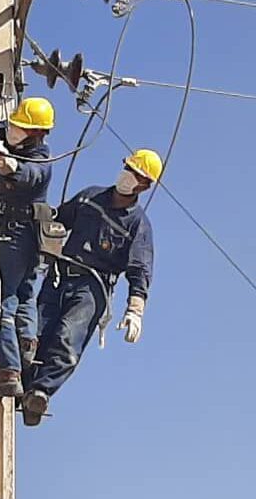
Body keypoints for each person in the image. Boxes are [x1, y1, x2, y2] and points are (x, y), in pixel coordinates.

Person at [21, 149, 161, 426]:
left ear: (144, 186)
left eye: (135, 174)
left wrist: (135, 310)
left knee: (66, 338)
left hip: (92, 287)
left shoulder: (138, 224)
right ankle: (21, 385)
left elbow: (140, 269)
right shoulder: (90, 197)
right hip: (60, 276)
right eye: (128, 168)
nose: (127, 175)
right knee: (34, 334)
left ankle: (40, 392)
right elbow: (59, 219)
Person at [0, 97, 56, 398]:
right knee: (25, 293)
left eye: (20, 127)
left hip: (18, 235)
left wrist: (1, 157)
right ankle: (27, 343)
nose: (13, 130)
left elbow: (20, 173)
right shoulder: (12, 134)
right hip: (33, 235)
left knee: (1, 301)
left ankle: (9, 371)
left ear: (36, 134)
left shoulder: (41, 161)